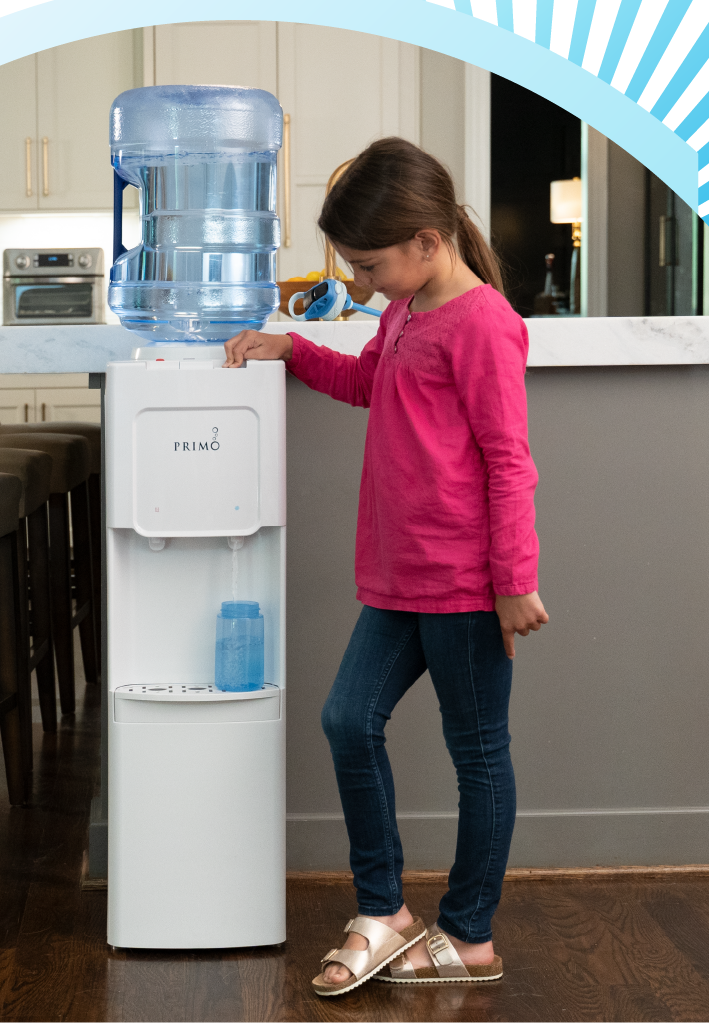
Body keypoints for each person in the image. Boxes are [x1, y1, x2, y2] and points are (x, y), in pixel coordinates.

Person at [224, 136, 547, 996]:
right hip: (399, 574)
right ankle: (386, 911)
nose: (360, 282)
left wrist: (513, 579)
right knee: (345, 720)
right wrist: (290, 347)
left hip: (464, 585)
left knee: (477, 752)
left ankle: (470, 935)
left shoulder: (482, 324)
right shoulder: (404, 310)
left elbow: (508, 460)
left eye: (368, 265)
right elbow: (372, 385)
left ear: (427, 242)